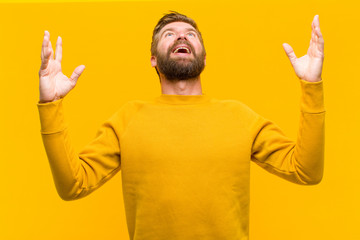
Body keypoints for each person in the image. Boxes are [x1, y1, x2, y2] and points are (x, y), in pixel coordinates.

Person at [37, 11, 325, 240]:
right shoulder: (127, 120)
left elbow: (306, 171)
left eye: (190, 34)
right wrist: (51, 104)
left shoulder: (240, 116)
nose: (180, 37)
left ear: (203, 56)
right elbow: (72, 186)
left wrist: (311, 84)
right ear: (153, 59)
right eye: (169, 34)